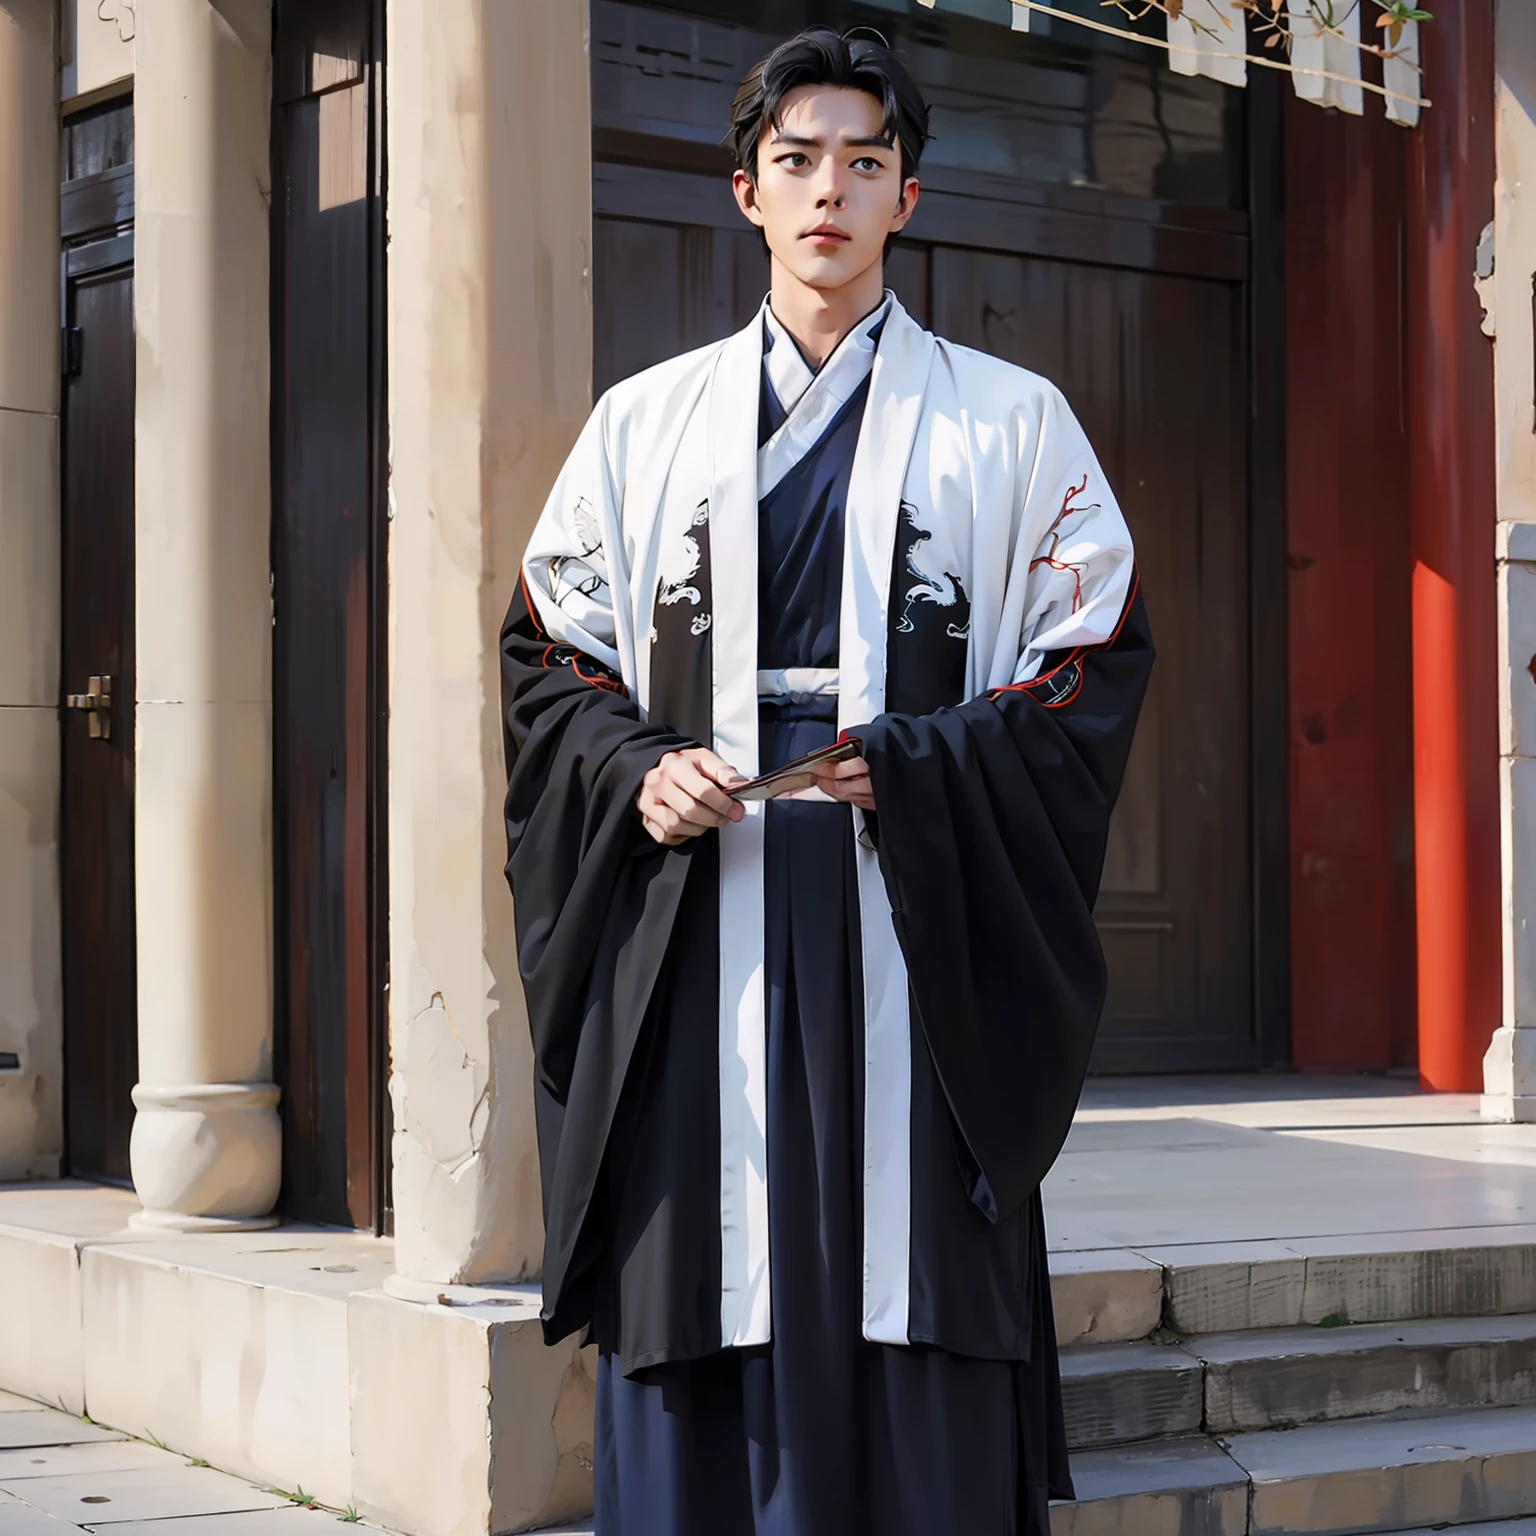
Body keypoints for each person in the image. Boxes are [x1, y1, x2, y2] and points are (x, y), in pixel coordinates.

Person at [500, 25, 1153, 1536]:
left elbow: (1088, 657)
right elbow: (552, 656)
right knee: (708, 1264)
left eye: (866, 163)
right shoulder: (639, 425)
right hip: (701, 902)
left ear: (908, 199)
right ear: (746, 191)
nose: (830, 193)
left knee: (909, 1254)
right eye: (797, 161)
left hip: (909, 899)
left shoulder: (1012, 420)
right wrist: (636, 769)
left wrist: (922, 770)